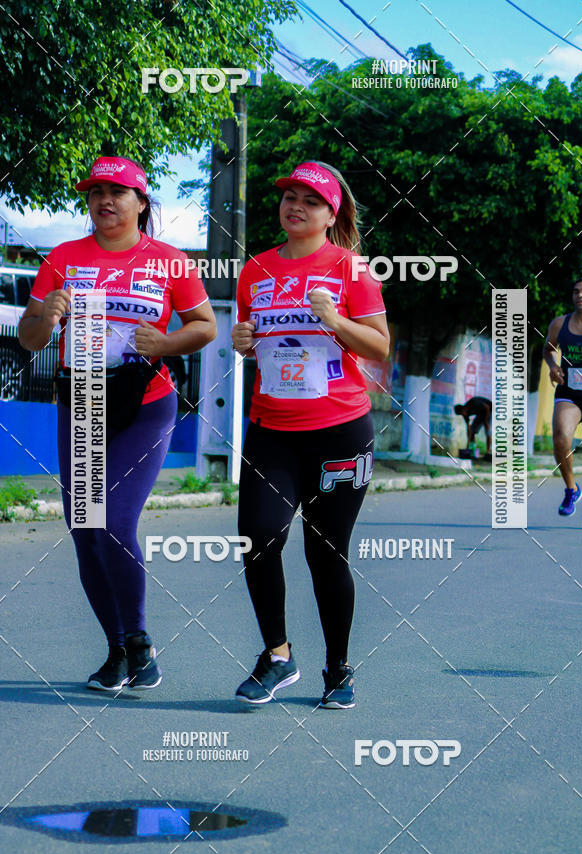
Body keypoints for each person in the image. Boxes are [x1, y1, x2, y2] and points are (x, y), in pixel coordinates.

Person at [18, 156, 217, 689]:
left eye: (117, 191)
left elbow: (205, 326)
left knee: (114, 521)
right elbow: (30, 339)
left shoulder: (170, 261)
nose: (104, 200)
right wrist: (46, 315)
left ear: (141, 202)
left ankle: (140, 643)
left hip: (144, 402)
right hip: (82, 400)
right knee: (85, 529)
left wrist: (167, 341)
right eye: (96, 192)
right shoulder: (64, 257)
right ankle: (117, 650)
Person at [231, 160, 389, 709]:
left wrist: (337, 322)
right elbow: (257, 342)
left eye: (311, 200)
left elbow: (379, 346)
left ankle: (338, 668)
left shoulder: (352, 269)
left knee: (326, 552)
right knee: (258, 537)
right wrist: (244, 341)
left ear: (331, 213)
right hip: (271, 430)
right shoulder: (256, 270)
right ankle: (278, 656)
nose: (295, 206)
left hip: (339, 433)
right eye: (290, 196)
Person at [543, 276, 582, 528]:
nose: (580, 295)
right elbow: (548, 349)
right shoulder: (560, 324)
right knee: (560, 439)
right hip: (570, 393)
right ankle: (571, 488)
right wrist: (553, 366)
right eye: (576, 291)